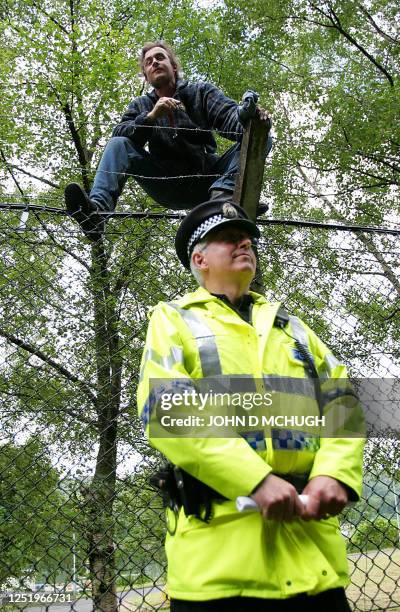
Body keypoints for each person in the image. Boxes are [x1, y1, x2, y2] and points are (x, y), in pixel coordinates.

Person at [137, 199, 364, 611]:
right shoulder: (172, 319)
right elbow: (166, 408)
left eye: (247, 239)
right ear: (199, 258)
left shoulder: (292, 327)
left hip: (314, 559)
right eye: (227, 239)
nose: (244, 243)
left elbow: (343, 399)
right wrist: (255, 479)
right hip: (219, 568)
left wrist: (335, 473)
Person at [64, 41, 272, 239]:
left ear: (173, 67)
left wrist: (246, 118)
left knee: (259, 137)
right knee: (118, 143)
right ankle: (96, 215)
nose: (154, 62)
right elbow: (121, 134)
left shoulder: (200, 92)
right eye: (148, 62)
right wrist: (151, 117)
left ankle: (230, 201)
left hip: (209, 181)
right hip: (168, 185)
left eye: (159, 57)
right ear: (146, 76)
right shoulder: (141, 105)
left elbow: (229, 118)